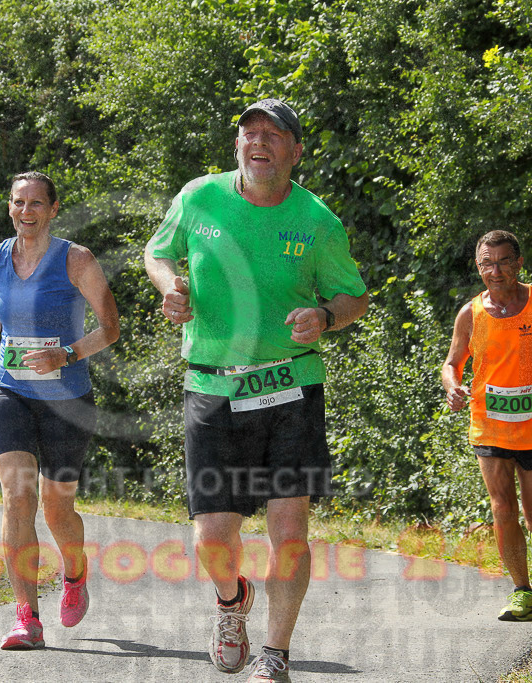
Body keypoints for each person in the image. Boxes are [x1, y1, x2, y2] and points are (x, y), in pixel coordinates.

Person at [144, 99, 369, 682]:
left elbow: (353, 298)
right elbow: (157, 252)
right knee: (212, 538)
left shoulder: (317, 220)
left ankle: (276, 653)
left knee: (288, 530)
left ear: (296, 151)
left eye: (274, 134)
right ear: (237, 145)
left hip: (290, 385)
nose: (259, 142)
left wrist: (324, 316)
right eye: (249, 133)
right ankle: (230, 600)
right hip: (213, 386)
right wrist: (171, 285)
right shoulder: (199, 198)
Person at [0, 171, 120, 649]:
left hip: (66, 401)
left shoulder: (76, 259)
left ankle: (74, 573)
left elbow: (110, 327)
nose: (25, 212)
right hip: (10, 393)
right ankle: (26, 616)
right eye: (17, 202)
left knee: (56, 507)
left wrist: (66, 355)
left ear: (53, 209)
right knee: (17, 499)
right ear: (9, 207)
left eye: (35, 204)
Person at [442, 230, 532, 621]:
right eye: (487, 263)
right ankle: (521, 591)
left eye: (505, 261)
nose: (496, 271)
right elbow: (452, 363)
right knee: (502, 507)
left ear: (519, 263)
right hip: (489, 424)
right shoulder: (469, 313)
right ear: (478, 267)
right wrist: (453, 387)